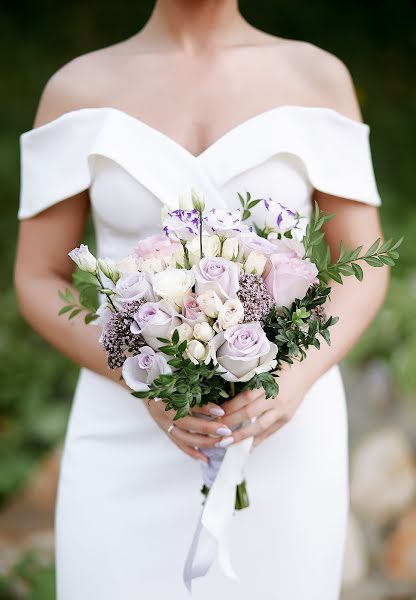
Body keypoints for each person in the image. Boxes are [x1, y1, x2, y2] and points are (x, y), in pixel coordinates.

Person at [14, 1, 389, 598]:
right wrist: (142, 380)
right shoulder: (77, 88)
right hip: (125, 423)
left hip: (278, 427)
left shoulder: (315, 76)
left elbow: (363, 264)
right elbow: (36, 277)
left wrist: (295, 378)